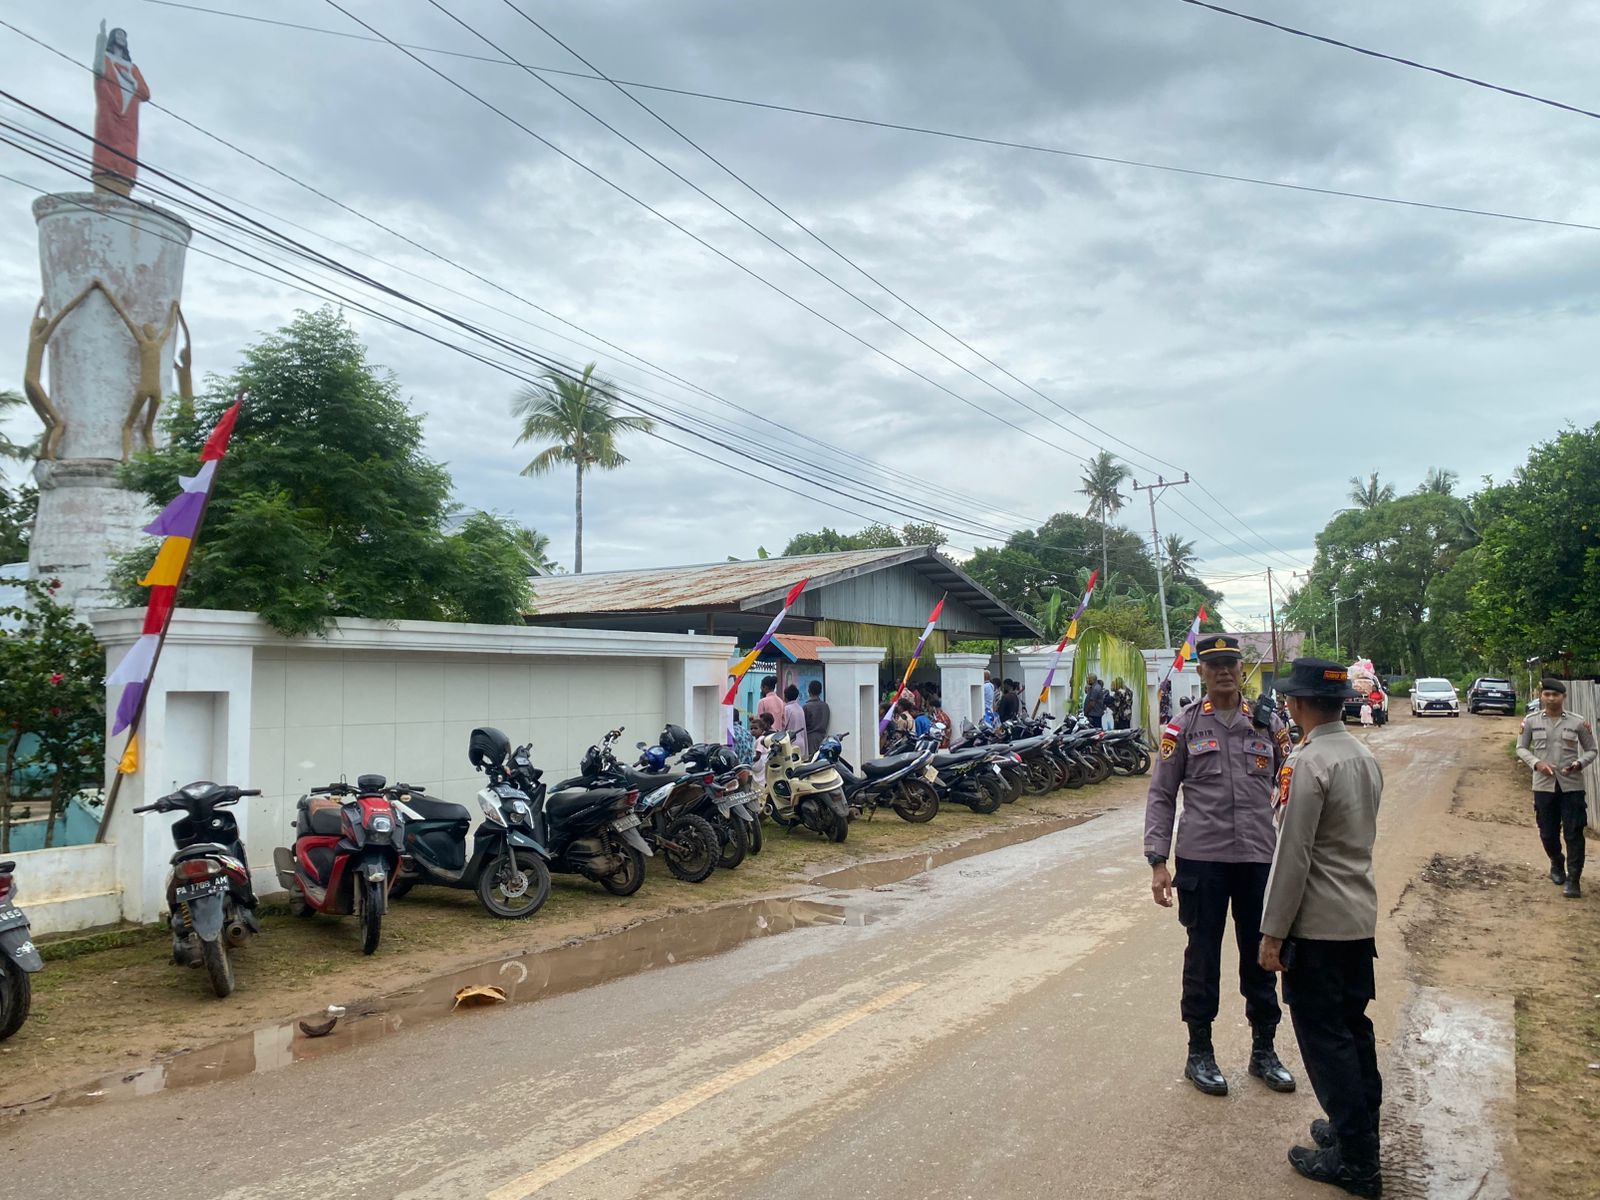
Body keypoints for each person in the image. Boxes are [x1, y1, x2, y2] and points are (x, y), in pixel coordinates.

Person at [1144, 634, 1296, 1098]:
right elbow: (1162, 794)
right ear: (1202, 673)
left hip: (1257, 858)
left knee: (1263, 957)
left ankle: (1264, 1051)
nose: (1224, 671)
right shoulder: (1183, 728)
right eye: (1215, 665)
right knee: (1203, 957)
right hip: (1201, 861)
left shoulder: (1268, 725)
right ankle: (1200, 1053)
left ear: (1240, 668)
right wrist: (1157, 860)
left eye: (1231, 663)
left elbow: (1292, 786)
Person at [1259, 658, 1385, 1196]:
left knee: (1325, 1041)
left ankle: (1357, 1163)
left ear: (1300, 704)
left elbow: (1293, 856)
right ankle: (1356, 1133)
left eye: (1290, 698)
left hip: (1316, 928)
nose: (1286, 704)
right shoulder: (1362, 755)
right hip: (1356, 920)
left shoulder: (1306, 763)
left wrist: (1272, 934)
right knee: (1353, 1030)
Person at [1516, 678, 1597, 899]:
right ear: (1541, 696)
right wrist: (1537, 763)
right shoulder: (1531, 721)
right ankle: (1556, 862)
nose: (1551, 698)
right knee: (1547, 832)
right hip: (1543, 786)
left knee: (1574, 832)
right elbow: (1521, 748)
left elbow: (1592, 750)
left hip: (1572, 786)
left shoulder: (1578, 722)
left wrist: (1579, 763)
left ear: (1564, 697)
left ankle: (1574, 880)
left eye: (1556, 695)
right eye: (1547, 694)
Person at [803, 680, 830, 757]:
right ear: (820, 691)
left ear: (809, 691)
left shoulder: (806, 707)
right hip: (823, 739)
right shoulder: (825, 706)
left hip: (810, 740)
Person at [782, 683, 808, 758]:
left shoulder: (787, 709)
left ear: (785, 697)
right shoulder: (800, 708)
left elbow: (783, 726)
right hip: (801, 743)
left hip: (791, 743)